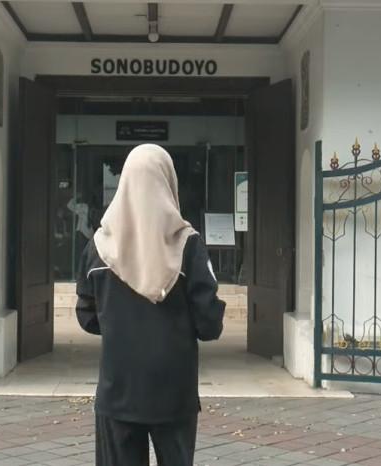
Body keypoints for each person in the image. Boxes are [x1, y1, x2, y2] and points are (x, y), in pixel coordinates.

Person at [75, 144, 226, 466]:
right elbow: (209, 324)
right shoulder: (188, 245)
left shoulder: (99, 246)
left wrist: (121, 326)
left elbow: (86, 316)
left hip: (118, 387)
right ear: (169, 183)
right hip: (174, 392)